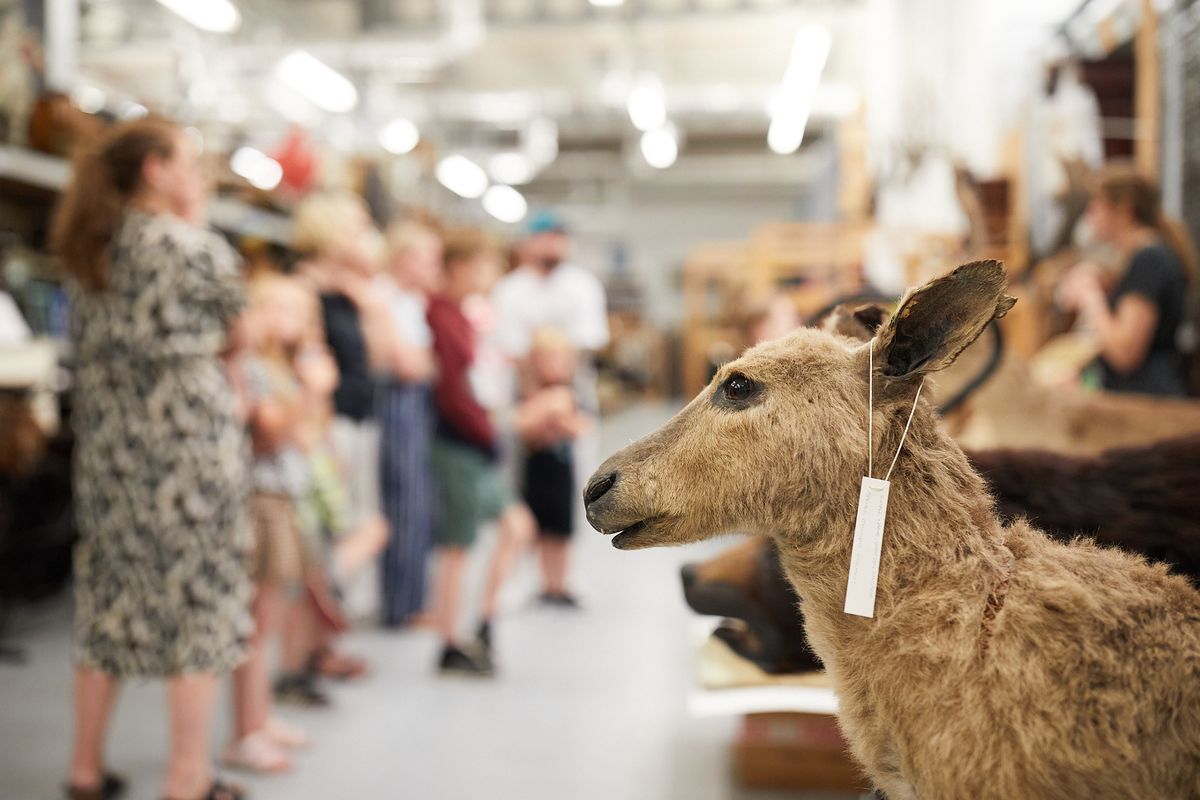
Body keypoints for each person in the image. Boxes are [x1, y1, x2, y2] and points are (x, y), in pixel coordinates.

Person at [50, 117, 249, 800]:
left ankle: (84, 767)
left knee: (108, 601)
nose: (200, 173)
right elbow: (240, 331)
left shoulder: (89, 250)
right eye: (189, 160)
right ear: (157, 170)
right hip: (188, 458)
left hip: (110, 457)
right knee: (199, 604)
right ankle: (188, 776)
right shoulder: (191, 247)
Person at [427, 228, 535, 676]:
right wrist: (486, 431)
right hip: (459, 442)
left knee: (516, 526)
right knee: (459, 546)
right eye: (484, 265)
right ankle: (450, 641)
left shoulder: (461, 316)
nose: (491, 274)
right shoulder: (440, 315)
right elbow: (453, 392)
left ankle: (483, 624)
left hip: (475, 440)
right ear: (460, 266)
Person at [225, 275, 321, 774]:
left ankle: (259, 719)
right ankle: (246, 732)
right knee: (255, 625)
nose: (288, 320)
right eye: (276, 308)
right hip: (260, 500)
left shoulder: (282, 368)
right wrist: (311, 392)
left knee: (269, 620)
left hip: (283, 499)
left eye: (297, 311)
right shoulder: (255, 367)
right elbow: (266, 433)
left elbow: (304, 434)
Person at [492, 210, 609, 605]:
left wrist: (562, 403)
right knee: (521, 488)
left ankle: (566, 575)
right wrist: (537, 404)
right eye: (546, 237)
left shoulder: (582, 286)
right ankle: (525, 576)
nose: (554, 245)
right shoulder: (510, 291)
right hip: (524, 397)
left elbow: (587, 344)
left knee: (576, 486)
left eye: (560, 237)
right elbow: (510, 349)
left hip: (573, 395)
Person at [293, 193, 390, 619]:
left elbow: (381, 360)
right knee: (332, 526)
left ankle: (326, 625)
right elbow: (307, 363)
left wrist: (370, 303)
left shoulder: (352, 292)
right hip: (328, 424)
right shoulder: (305, 290)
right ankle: (319, 605)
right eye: (356, 227)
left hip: (358, 419)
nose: (364, 236)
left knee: (354, 524)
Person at [1061, 164, 1197, 396]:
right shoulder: (1143, 256)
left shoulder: (1150, 260)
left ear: (1123, 210)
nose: (1089, 216)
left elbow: (1125, 353)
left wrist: (1089, 296)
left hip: (1147, 401)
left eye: (1096, 206)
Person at [377, 219, 439, 627]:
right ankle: (401, 606)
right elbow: (407, 365)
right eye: (427, 259)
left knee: (421, 505)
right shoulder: (383, 297)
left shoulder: (416, 303)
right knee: (405, 503)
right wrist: (427, 363)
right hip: (398, 405)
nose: (433, 268)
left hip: (418, 405)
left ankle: (415, 601)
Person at [515, 329, 592, 603]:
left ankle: (561, 583)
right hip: (535, 470)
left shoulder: (572, 392)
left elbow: (582, 426)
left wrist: (561, 422)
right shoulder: (529, 392)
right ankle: (544, 583)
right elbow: (523, 427)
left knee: (561, 530)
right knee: (539, 529)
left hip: (561, 471)